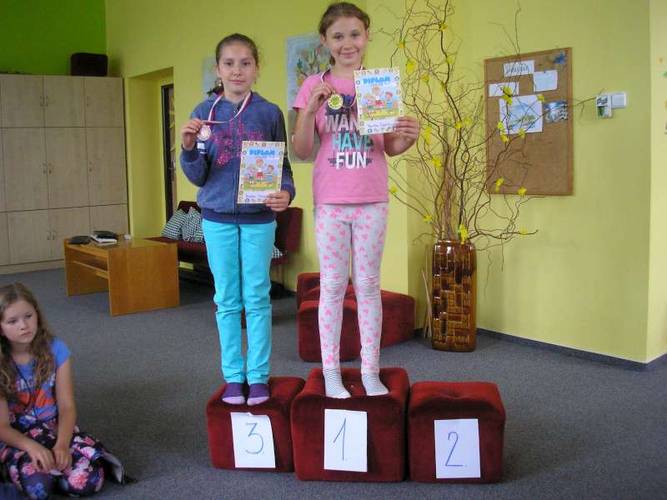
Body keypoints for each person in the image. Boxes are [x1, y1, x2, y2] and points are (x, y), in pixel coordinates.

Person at [292, 2, 419, 399]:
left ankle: (369, 371)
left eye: (354, 34)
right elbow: (301, 150)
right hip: (331, 201)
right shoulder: (313, 85)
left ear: (367, 36)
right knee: (332, 286)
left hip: (372, 200)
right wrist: (309, 111)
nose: (347, 43)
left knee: (368, 286)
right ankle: (331, 372)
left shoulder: (378, 84)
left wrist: (407, 137)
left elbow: (389, 146)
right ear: (324, 41)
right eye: (338, 36)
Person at [180, 33, 295, 406]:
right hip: (216, 219)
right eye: (229, 63)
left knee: (257, 298)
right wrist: (187, 148)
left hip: (259, 219)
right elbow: (198, 175)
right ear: (218, 69)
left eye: (245, 63)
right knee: (227, 299)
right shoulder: (204, 112)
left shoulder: (269, 113)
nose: (237, 71)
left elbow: (283, 167)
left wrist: (286, 192)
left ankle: (258, 376)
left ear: (257, 68)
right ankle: (233, 376)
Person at [0, 283, 107, 499]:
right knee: (39, 488)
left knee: (89, 482)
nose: (24, 325)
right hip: (17, 437)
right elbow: (2, 426)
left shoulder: (56, 349)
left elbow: (67, 406)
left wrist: (62, 445)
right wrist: (32, 447)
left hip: (53, 428)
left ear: (37, 315)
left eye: (28, 316)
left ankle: (56, 473)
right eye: (12, 321)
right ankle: (46, 474)